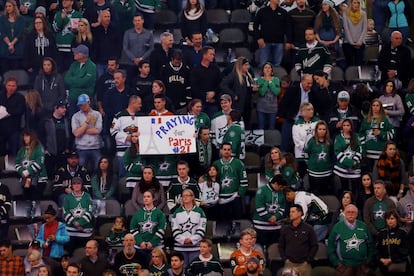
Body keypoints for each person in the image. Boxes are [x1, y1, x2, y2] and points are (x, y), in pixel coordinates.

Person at [278, 74, 322, 153]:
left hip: (306, 123)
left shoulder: (313, 92)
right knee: (285, 145)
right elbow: (283, 104)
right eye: (308, 83)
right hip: (291, 121)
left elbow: (316, 107)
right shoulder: (292, 90)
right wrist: (287, 116)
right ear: (302, 81)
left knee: (304, 146)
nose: (310, 85)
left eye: (311, 83)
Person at [327, 204, 374, 276]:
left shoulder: (363, 226)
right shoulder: (337, 227)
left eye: (353, 212)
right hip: (344, 266)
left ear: (357, 214)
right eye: (348, 212)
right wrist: (336, 263)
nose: (351, 214)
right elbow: (330, 246)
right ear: (344, 214)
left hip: (362, 266)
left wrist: (368, 260)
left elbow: (371, 244)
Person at [170, 189, 207, 267]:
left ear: (192, 197)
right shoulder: (177, 212)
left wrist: (192, 239)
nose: (185, 197)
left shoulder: (199, 211)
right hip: (180, 249)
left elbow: (202, 228)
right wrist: (183, 240)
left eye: (187, 195)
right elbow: (174, 228)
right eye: (183, 196)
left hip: (195, 248)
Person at [213, 143, 248, 220]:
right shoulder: (216, 164)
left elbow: (244, 180)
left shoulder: (238, 163)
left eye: (229, 149)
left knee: (237, 224)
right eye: (224, 149)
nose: (227, 151)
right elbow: (211, 180)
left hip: (235, 198)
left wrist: (239, 194)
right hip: (220, 200)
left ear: (231, 151)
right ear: (221, 151)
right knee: (221, 226)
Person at [359, 99, 394, 170]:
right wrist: (363, 148)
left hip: (381, 154)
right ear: (371, 107)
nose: (375, 107)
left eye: (377, 105)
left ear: (380, 107)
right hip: (368, 154)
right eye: (373, 105)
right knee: (370, 175)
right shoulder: (366, 120)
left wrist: (380, 133)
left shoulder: (385, 120)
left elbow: (392, 134)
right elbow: (361, 135)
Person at [253, 174, 287, 247]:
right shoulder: (262, 190)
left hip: (276, 226)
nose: (281, 189)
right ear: (275, 184)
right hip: (261, 226)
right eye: (280, 187)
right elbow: (259, 207)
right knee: (262, 248)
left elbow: (282, 208)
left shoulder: (281, 192)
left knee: (274, 248)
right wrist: (269, 218)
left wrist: (276, 217)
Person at [253, 0, 290, 67]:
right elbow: (255, 26)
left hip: (279, 42)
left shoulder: (283, 12)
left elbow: (288, 28)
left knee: (277, 65)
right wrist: (258, 38)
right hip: (265, 42)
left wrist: (288, 41)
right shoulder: (262, 11)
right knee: (263, 65)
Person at [71, 94, 102, 172]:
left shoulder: (97, 114)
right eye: (80, 105)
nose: (82, 107)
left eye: (83, 104)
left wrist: (82, 129)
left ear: (88, 102)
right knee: (81, 170)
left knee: (98, 168)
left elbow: (97, 130)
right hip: (81, 148)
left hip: (95, 147)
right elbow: (76, 133)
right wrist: (87, 122)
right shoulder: (76, 116)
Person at [130, 190, 167, 257]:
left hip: (156, 248)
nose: (146, 198)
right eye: (144, 197)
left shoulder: (159, 213)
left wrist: (152, 242)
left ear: (153, 199)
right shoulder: (138, 213)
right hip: (140, 248)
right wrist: (140, 242)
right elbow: (133, 229)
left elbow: (161, 229)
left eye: (148, 196)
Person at [63, 176, 94, 252]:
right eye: (74, 184)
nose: (76, 185)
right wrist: (75, 223)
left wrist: (80, 223)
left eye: (78, 183)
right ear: (72, 186)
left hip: (85, 232)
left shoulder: (87, 197)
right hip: (71, 232)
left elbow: (90, 211)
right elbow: (65, 212)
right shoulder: (67, 198)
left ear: (81, 185)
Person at [64, 45, 97, 117]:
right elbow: (66, 79)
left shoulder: (91, 66)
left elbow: (84, 82)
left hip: (85, 99)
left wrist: (74, 80)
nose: (74, 54)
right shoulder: (73, 65)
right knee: (72, 119)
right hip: (73, 97)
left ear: (82, 55)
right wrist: (78, 79)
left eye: (76, 52)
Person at [15, 129, 48, 200]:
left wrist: (28, 172)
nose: (25, 138)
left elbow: (39, 163)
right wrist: (22, 171)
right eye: (24, 136)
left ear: (32, 136)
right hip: (25, 180)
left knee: (35, 199)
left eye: (27, 136)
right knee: (26, 199)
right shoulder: (21, 150)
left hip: (39, 179)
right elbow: (17, 163)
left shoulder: (39, 148)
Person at [333, 119, 363, 196]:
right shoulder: (338, 138)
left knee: (355, 190)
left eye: (348, 125)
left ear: (351, 127)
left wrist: (354, 162)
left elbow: (360, 150)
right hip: (342, 169)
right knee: (344, 190)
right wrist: (349, 163)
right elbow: (337, 152)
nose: (346, 127)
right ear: (342, 127)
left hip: (355, 168)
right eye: (344, 125)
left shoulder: (356, 136)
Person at [190, 46, 221, 118]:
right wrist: (206, 97)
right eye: (211, 54)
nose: (213, 56)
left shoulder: (216, 69)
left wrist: (214, 93)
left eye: (213, 54)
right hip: (200, 103)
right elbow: (194, 87)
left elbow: (220, 84)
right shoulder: (195, 70)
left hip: (213, 103)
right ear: (204, 55)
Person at [304, 120, 334, 195]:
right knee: (315, 194)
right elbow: (307, 154)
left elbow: (331, 155)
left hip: (327, 173)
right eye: (320, 129)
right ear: (316, 130)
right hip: (314, 174)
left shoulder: (329, 142)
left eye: (324, 129)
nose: (322, 131)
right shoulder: (311, 141)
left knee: (325, 194)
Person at [52, 0, 82, 72]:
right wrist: (61, 19)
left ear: (72, 2)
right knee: (59, 71)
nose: (64, 2)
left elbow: (82, 30)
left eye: (66, 0)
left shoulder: (78, 15)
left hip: (73, 49)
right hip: (60, 48)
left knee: (72, 71)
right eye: (63, 0)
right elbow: (55, 29)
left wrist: (76, 31)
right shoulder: (58, 14)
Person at [0, 77, 26, 161]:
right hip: (1, 129)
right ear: (5, 85)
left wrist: (6, 110)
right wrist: (11, 111)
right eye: (9, 85)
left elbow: (19, 110)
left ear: (16, 86)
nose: (11, 87)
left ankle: (13, 170)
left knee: (14, 151)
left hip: (13, 130)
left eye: (13, 86)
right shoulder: (0, 95)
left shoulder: (20, 97)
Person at [377, 210, 409, 275]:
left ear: (396, 219)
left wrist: (391, 259)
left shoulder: (402, 233)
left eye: (392, 218)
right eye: (388, 219)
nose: (390, 221)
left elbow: (405, 250)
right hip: (384, 265)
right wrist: (381, 259)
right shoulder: (382, 233)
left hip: (399, 265)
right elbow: (377, 249)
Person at [123, 13, 154, 81]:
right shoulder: (127, 33)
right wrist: (134, 59)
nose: (137, 22)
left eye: (139, 20)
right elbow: (125, 47)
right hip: (130, 64)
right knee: (130, 82)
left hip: (144, 65)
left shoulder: (149, 34)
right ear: (133, 22)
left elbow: (151, 48)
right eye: (135, 21)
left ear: (142, 21)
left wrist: (142, 58)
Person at [292, 102, 320, 178]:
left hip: (315, 153)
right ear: (302, 112)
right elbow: (297, 141)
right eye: (309, 109)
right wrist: (308, 148)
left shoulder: (317, 122)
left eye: (312, 109)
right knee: (302, 175)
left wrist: (314, 148)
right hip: (301, 154)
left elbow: (320, 136)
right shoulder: (296, 124)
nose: (311, 111)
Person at [92, 10, 122, 77]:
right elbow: (94, 46)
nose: (107, 18)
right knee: (101, 79)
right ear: (101, 18)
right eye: (105, 16)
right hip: (100, 61)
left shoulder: (115, 29)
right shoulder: (96, 30)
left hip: (112, 61)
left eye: (108, 16)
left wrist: (117, 57)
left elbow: (119, 45)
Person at [0, 0, 25, 73]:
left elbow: (20, 34)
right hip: (5, 49)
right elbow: (3, 33)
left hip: (17, 50)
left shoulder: (21, 19)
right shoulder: (2, 19)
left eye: (9, 6)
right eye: (6, 6)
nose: (7, 8)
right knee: (5, 73)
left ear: (14, 7)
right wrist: (9, 44)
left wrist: (12, 44)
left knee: (16, 72)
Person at [342, 0, 367, 66]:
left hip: (360, 43)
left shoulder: (363, 14)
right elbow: (346, 28)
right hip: (348, 42)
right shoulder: (345, 14)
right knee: (350, 64)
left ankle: (358, 76)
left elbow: (364, 28)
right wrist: (352, 42)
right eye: (355, 3)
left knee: (358, 64)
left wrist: (360, 41)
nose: (357, 4)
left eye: (358, 3)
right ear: (351, 4)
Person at [256, 62, 280, 130]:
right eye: (265, 67)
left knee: (271, 128)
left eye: (269, 67)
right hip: (261, 108)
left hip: (272, 109)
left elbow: (276, 92)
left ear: (272, 70)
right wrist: (266, 81)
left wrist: (270, 82)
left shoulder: (276, 79)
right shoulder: (260, 80)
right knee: (261, 128)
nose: (267, 69)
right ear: (263, 70)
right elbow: (262, 93)